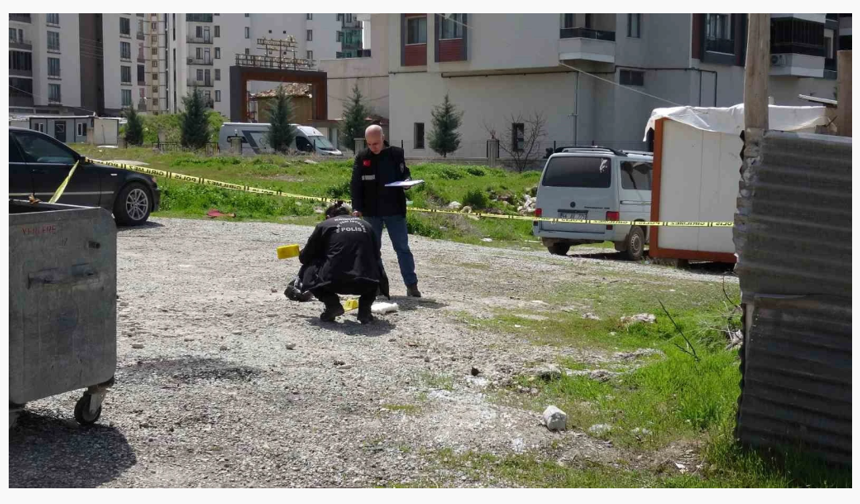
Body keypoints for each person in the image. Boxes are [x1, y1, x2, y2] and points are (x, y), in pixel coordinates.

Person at [350, 124, 421, 297]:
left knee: (402, 248)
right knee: (373, 250)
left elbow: (405, 173)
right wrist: (356, 207)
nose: (373, 147)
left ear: (383, 138)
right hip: (371, 212)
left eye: (376, 143)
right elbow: (356, 184)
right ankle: (379, 285)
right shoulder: (362, 157)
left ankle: (411, 285)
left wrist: (407, 183)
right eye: (369, 144)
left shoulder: (396, 154)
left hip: (394, 210)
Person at [298, 202, 387, 324]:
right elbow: (377, 255)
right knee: (376, 265)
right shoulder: (367, 225)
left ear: (329, 217)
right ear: (350, 214)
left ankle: (332, 303)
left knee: (308, 266)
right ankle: (365, 310)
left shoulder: (324, 225)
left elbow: (305, 257)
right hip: (366, 282)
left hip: (333, 282)